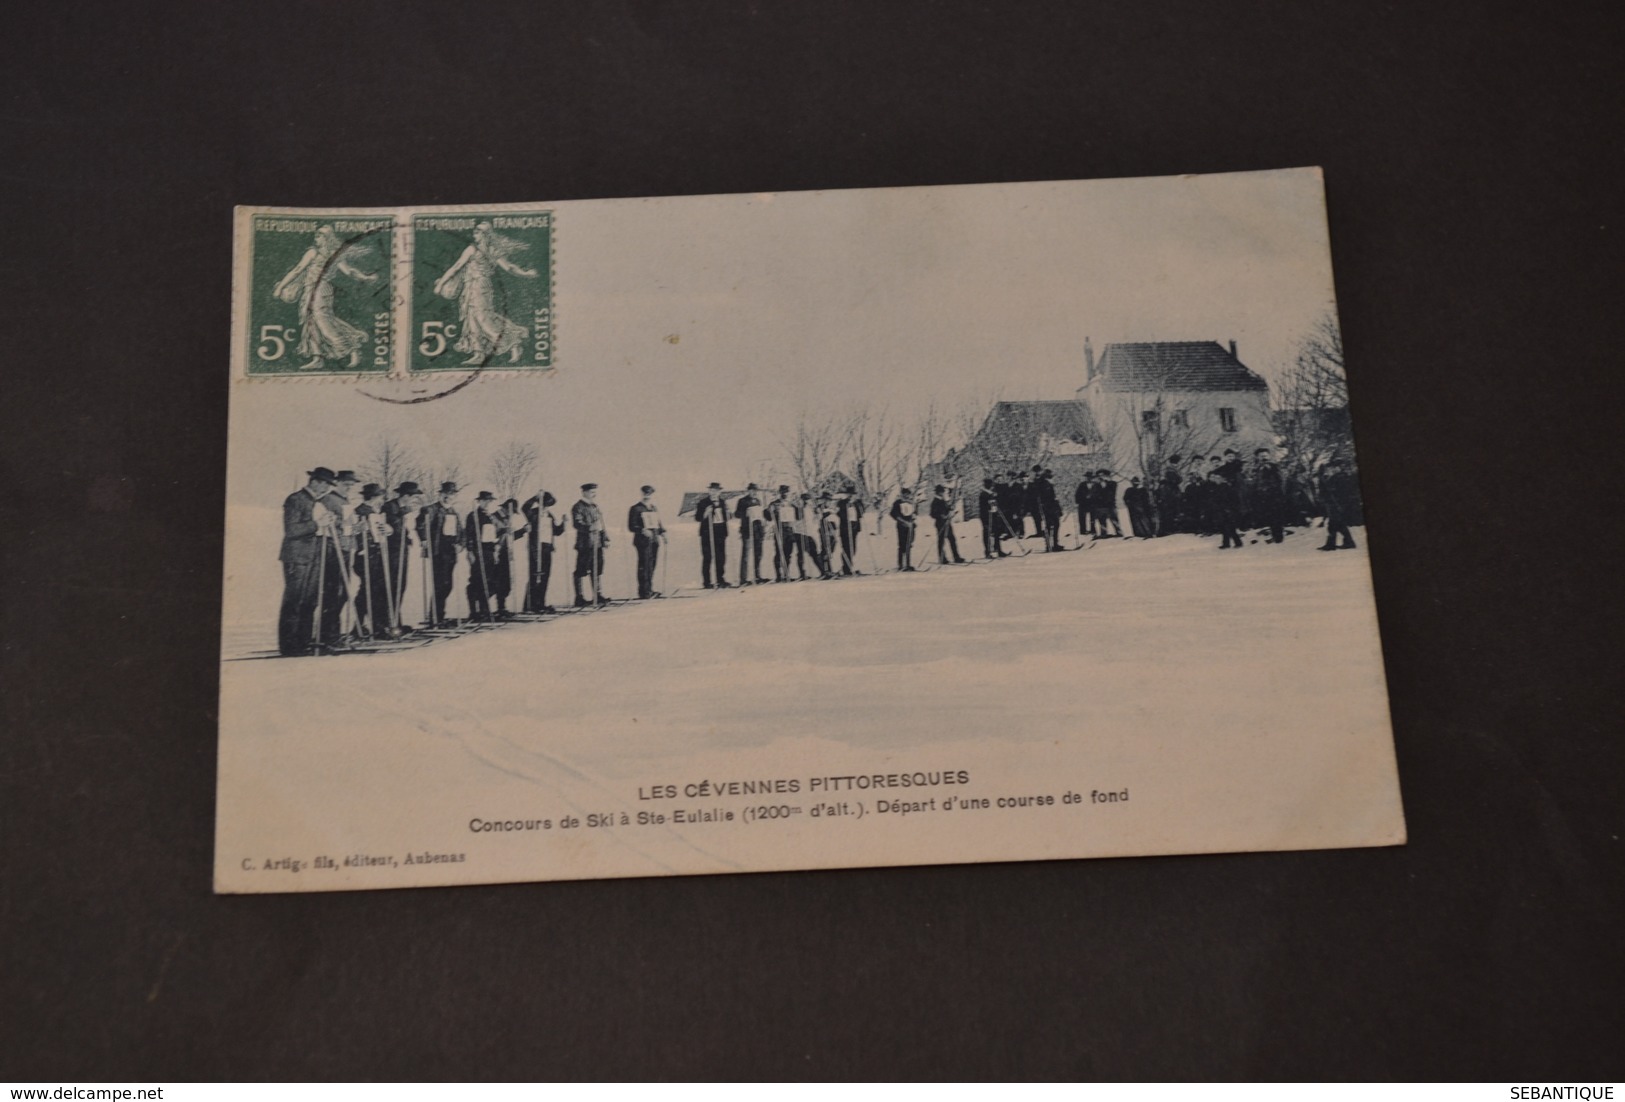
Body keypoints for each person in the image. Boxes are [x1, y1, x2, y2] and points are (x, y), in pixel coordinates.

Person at [270, 226, 379, 371]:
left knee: (323, 322)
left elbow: (349, 271)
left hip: (321, 290)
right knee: (310, 323)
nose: (316, 238)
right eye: (316, 235)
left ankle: (351, 349)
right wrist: (281, 287)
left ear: (327, 238)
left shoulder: (331, 254)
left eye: (320, 236)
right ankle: (317, 358)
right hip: (309, 290)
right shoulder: (313, 252)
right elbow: (298, 270)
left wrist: (365, 277)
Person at [431, 222, 540, 365]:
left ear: (485, 234)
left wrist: (525, 274)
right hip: (469, 287)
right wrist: (441, 283)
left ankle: (513, 343)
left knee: (483, 318)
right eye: (475, 232)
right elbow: (456, 267)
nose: (474, 235)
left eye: (477, 232)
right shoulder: (472, 249)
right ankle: (478, 353)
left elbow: (509, 268)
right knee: (471, 319)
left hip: (481, 287)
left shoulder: (492, 250)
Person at [277, 466, 338, 656]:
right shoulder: (295, 499)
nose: (327, 489)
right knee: (295, 600)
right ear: (315, 482)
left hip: (314, 556)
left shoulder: (317, 502)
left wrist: (328, 523)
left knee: (310, 601)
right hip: (298, 558)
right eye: (326, 485)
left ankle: (303, 642)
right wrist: (317, 523)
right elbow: (292, 530)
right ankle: (289, 646)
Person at [316, 470, 361, 646]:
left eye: (351, 484)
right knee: (334, 593)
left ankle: (333, 632)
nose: (349, 487)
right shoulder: (328, 499)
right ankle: (328, 633)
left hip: (346, 548)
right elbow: (325, 521)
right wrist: (341, 524)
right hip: (333, 550)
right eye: (345, 484)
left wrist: (356, 527)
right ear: (337, 483)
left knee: (342, 593)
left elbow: (348, 526)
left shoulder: (345, 501)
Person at [416, 482, 463, 626]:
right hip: (438, 552)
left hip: (451, 552)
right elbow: (420, 524)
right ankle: (435, 616)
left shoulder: (454, 512)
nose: (448, 497)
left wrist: (461, 544)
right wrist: (424, 538)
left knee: (448, 585)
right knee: (440, 584)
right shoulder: (431, 509)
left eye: (452, 494)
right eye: (446, 494)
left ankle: (440, 614)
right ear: (441, 494)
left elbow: (461, 531)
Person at [352, 483, 394, 636]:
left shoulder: (376, 512)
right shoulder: (360, 511)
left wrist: (388, 530)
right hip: (364, 555)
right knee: (369, 590)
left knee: (371, 590)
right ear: (374, 497)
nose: (382, 500)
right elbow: (354, 533)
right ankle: (372, 626)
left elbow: (382, 532)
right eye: (380, 497)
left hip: (376, 555)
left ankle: (367, 625)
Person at [382, 482, 423, 627]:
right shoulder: (390, 506)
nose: (414, 500)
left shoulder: (406, 508)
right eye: (413, 497)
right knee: (392, 585)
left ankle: (396, 621)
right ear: (406, 496)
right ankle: (389, 622)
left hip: (402, 550)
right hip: (392, 551)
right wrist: (404, 516)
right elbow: (393, 527)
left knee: (401, 585)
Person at [521, 487, 566, 613]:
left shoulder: (549, 515)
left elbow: (556, 532)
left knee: (545, 576)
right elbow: (524, 508)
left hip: (547, 548)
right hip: (536, 548)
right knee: (535, 576)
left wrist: (563, 523)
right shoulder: (533, 513)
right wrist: (535, 497)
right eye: (545, 504)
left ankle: (541, 603)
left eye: (549, 505)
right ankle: (530, 605)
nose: (547, 507)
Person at [464, 491, 506, 620]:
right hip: (478, 551)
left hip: (489, 550)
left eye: (489, 501)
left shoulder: (491, 517)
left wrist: (496, 549)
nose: (487, 503)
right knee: (477, 580)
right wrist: (470, 551)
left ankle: (484, 608)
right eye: (484, 501)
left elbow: (502, 529)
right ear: (479, 501)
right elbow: (469, 534)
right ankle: (474, 610)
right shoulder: (473, 516)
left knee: (489, 580)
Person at [572, 483, 610, 605]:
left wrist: (605, 538)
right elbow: (577, 523)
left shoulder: (595, 506)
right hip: (585, 543)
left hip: (597, 543)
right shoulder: (578, 507)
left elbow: (601, 524)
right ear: (584, 492)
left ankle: (597, 595)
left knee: (597, 568)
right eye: (591, 492)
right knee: (581, 570)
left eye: (594, 492)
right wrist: (589, 527)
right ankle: (579, 597)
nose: (594, 494)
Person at [628, 485, 666, 599]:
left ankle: (649, 589)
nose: (647, 496)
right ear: (641, 494)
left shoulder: (653, 508)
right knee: (644, 565)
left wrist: (662, 532)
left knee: (652, 565)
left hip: (654, 540)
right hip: (642, 541)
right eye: (645, 494)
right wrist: (641, 530)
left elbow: (658, 524)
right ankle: (644, 591)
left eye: (649, 494)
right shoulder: (635, 508)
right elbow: (631, 526)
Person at [694, 482, 731, 589]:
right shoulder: (703, 502)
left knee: (721, 557)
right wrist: (706, 512)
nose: (714, 493)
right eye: (712, 490)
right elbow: (698, 518)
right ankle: (707, 581)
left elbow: (727, 517)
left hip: (720, 533)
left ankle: (720, 579)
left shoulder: (723, 502)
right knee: (708, 557)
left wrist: (728, 513)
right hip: (707, 533)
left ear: (719, 492)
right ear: (709, 491)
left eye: (716, 491)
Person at [1319, 458, 1360, 550]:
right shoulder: (1336, 477)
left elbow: (1340, 493)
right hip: (1335, 504)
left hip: (1337, 504)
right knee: (1336, 524)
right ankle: (1343, 542)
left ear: (1339, 467)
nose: (1333, 469)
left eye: (1335, 467)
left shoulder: (1340, 477)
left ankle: (1335, 544)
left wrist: (1340, 504)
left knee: (1335, 524)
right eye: (1333, 467)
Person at [1247, 448, 1287, 544]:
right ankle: (1272, 535)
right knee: (1267, 517)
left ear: (1269, 456)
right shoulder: (1255, 469)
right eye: (1261, 456)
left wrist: (1280, 493)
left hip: (1274, 495)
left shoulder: (1274, 466)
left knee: (1276, 516)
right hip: (1261, 497)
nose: (1264, 457)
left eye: (1265, 455)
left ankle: (1278, 537)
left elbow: (1281, 480)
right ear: (1257, 457)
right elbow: (1253, 482)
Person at [735, 482, 767, 585]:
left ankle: (757, 576)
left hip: (758, 530)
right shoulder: (742, 501)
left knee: (758, 554)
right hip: (747, 530)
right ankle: (743, 579)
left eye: (756, 491)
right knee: (746, 555)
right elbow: (737, 514)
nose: (754, 492)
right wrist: (745, 513)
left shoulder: (758, 501)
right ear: (748, 491)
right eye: (752, 490)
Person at [767, 486, 801, 581]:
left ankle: (787, 574)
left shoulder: (792, 504)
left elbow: (799, 517)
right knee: (779, 552)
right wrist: (770, 511)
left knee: (788, 553)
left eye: (787, 492)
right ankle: (778, 575)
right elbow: (768, 517)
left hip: (790, 530)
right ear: (780, 493)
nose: (786, 494)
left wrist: (799, 507)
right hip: (779, 530)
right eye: (784, 492)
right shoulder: (775, 504)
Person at [930, 485, 966, 564]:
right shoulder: (935, 502)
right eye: (942, 492)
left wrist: (950, 508)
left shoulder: (943, 501)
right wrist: (941, 515)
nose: (943, 493)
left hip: (947, 523)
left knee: (952, 539)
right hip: (940, 524)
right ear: (939, 492)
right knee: (941, 541)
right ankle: (942, 558)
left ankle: (956, 557)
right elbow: (932, 514)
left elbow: (947, 509)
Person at [836, 484, 865, 576]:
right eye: (850, 494)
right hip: (845, 529)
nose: (852, 496)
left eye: (853, 494)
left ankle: (849, 567)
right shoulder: (842, 503)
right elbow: (841, 514)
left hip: (854, 528)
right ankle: (846, 568)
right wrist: (847, 505)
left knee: (853, 549)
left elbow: (861, 514)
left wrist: (859, 504)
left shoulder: (857, 503)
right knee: (846, 548)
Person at [889, 488, 919, 571]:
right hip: (902, 526)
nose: (907, 496)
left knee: (909, 545)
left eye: (908, 494)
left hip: (911, 526)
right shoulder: (897, 503)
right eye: (905, 494)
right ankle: (901, 565)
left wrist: (914, 516)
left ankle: (908, 564)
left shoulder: (912, 502)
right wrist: (903, 522)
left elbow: (915, 512)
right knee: (902, 545)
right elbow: (893, 514)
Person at [977, 478, 1005, 558]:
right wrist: (990, 505)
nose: (991, 487)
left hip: (993, 514)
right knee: (987, 533)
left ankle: (998, 550)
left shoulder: (991, 493)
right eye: (990, 485)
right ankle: (987, 552)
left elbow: (995, 502)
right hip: (986, 516)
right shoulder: (983, 494)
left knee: (997, 531)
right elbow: (984, 506)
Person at [1094, 469, 1123, 538]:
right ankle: (1103, 534)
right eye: (1099, 476)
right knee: (1102, 521)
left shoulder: (1112, 483)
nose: (1100, 477)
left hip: (1110, 505)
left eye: (1102, 476)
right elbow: (1095, 495)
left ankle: (1119, 533)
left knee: (1114, 520)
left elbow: (1111, 494)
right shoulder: (1096, 486)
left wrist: (1105, 485)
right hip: (1101, 506)